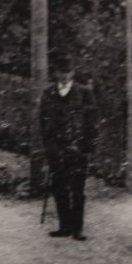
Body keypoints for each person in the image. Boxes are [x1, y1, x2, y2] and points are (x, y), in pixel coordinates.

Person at [39, 64, 98, 241]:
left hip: (78, 148)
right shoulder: (48, 93)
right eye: (61, 71)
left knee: (77, 189)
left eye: (67, 72)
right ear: (56, 73)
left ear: (72, 73)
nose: (64, 75)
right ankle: (64, 226)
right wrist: (47, 146)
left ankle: (77, 228)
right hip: (56, 148)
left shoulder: (85, 92)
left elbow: (92, 122)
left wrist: (89, 148)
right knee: (59, 187)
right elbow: (43, 121)